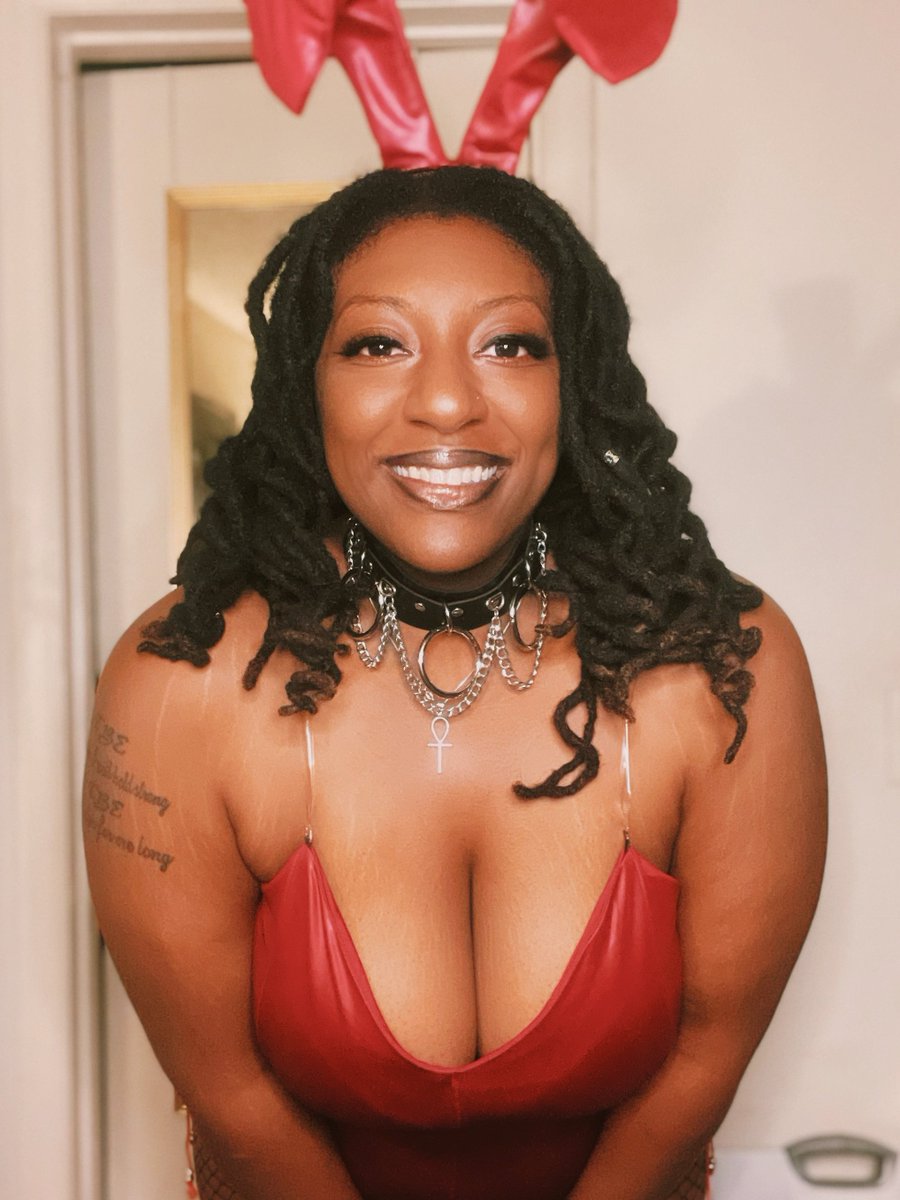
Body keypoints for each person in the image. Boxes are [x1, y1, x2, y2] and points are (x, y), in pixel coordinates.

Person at [83, 165, 827, 1200]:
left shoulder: (725, 666)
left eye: (509, 344)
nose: (444, 401)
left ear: (575, 380)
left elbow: (700, 1070)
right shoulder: (180, 683)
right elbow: (232, 1097)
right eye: (377, 344)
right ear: (307, 382)